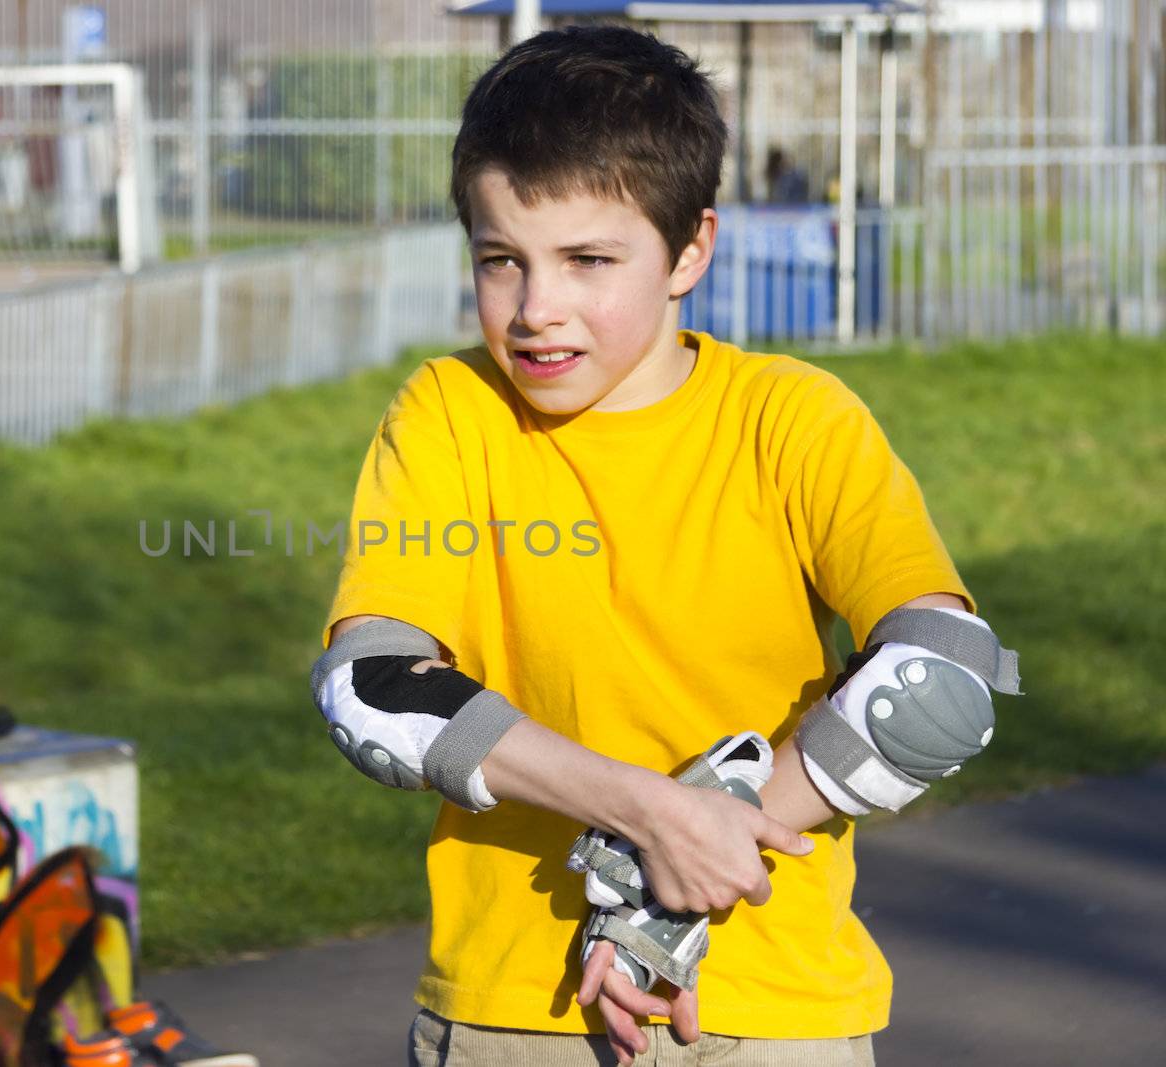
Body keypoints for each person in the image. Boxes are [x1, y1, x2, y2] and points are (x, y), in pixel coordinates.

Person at [310, 26, 1019, 1067]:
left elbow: (936, 684)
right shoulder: (450, 412)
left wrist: (661, 886)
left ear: (691, 249)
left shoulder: (793, 418)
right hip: (517, 1012)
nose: (535, 310)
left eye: (589, 260)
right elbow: (372, 688)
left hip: (779, 1008)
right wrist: (648, 812)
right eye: (499, 260)